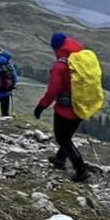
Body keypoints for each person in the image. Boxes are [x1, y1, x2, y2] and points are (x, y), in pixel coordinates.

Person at [34, 32, 91, 182]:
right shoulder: (80, 59)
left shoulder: (61, 66)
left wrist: (41, 106)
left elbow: (53, 91)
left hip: (65, 110)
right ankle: (59, 160)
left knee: (62, 139)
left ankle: (81, 170)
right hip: (81, 105)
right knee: (67, 137)